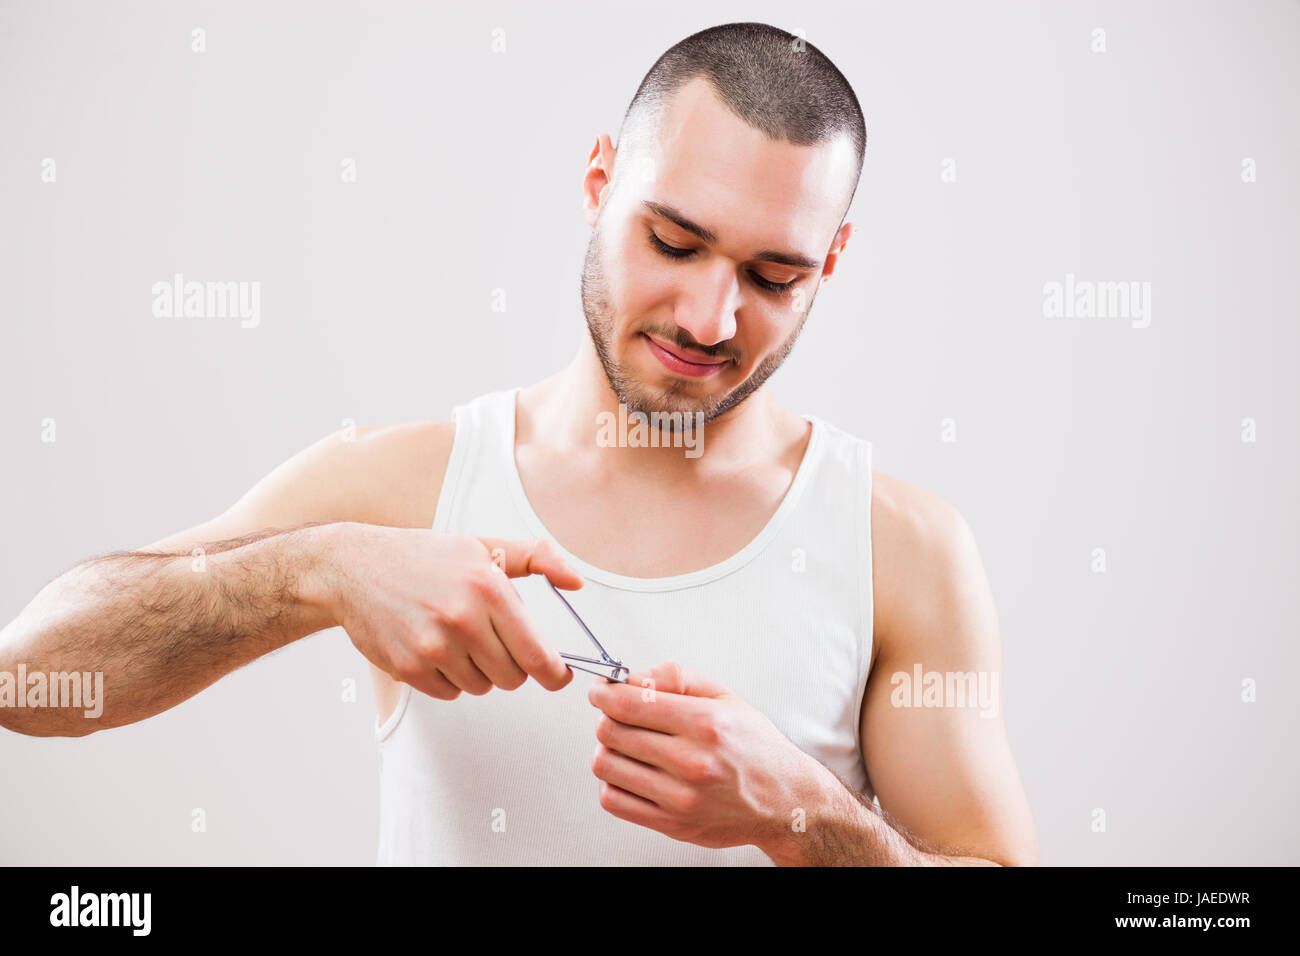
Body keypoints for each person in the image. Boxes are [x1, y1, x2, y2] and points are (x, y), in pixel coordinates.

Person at [0, 22, 1039, 866]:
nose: (711, 317)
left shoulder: (898, 545)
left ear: (833, 260)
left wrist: (804, 816)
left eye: (775, 277)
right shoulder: (403, 483)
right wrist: (314, 570)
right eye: (672, 241)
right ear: (599, 183)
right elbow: (27, 677)